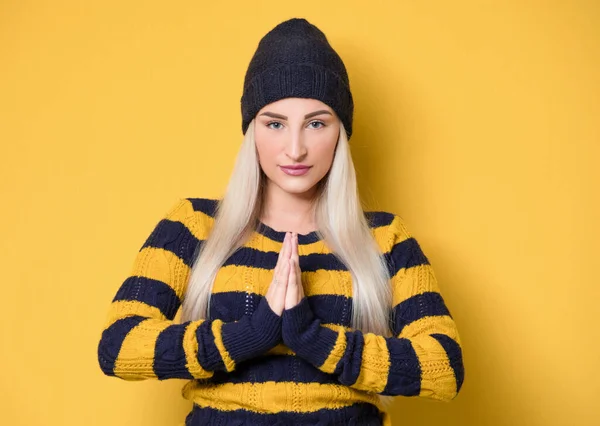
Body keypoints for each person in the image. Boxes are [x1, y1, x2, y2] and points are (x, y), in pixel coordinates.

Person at [97, 17, 464, 426]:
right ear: (251, 131)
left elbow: (444, 366)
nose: (295, 149)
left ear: (340, 132)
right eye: (275, 124)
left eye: (316, 123)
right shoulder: (194, 225)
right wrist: (250, 334)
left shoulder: (385, 238)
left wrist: (315, 339)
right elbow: (119, 345)